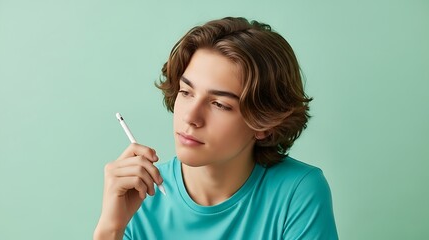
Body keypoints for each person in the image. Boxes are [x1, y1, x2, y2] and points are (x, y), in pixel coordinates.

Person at [94, 17, 338, 240]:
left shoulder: (298, 191)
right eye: (186, 92)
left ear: (264, 123)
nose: (191, 117)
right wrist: (110, 228)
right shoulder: (139, 196)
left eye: (219, 104)